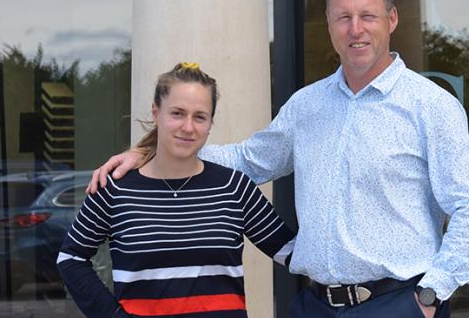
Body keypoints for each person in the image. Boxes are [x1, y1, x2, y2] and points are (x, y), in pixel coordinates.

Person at [88, 0, 469, 317]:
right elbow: (248, 160)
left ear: (391, 20)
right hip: (314, 306)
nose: (356, 29)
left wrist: (430, 295)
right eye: (344, 17)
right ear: (329, 24)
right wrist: (151, 155)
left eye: (368, 16)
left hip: (396, 304)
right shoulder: (307, 106)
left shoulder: (429, 105)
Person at [59, 63, 296, 317]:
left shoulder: (234, 188)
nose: (188, 127)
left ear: (210, 123)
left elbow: (293, 254)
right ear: (155, 113)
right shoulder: (115, 187)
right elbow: (70, 259)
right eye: (177, 113)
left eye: (200, 116)